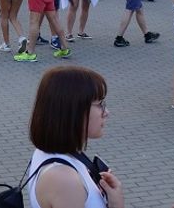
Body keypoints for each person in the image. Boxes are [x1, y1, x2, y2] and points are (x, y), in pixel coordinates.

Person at [25, 66, 124, 208]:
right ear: (75, 111)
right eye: (100, 104)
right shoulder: (64, 179)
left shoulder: (49, 153)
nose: (106, 112)